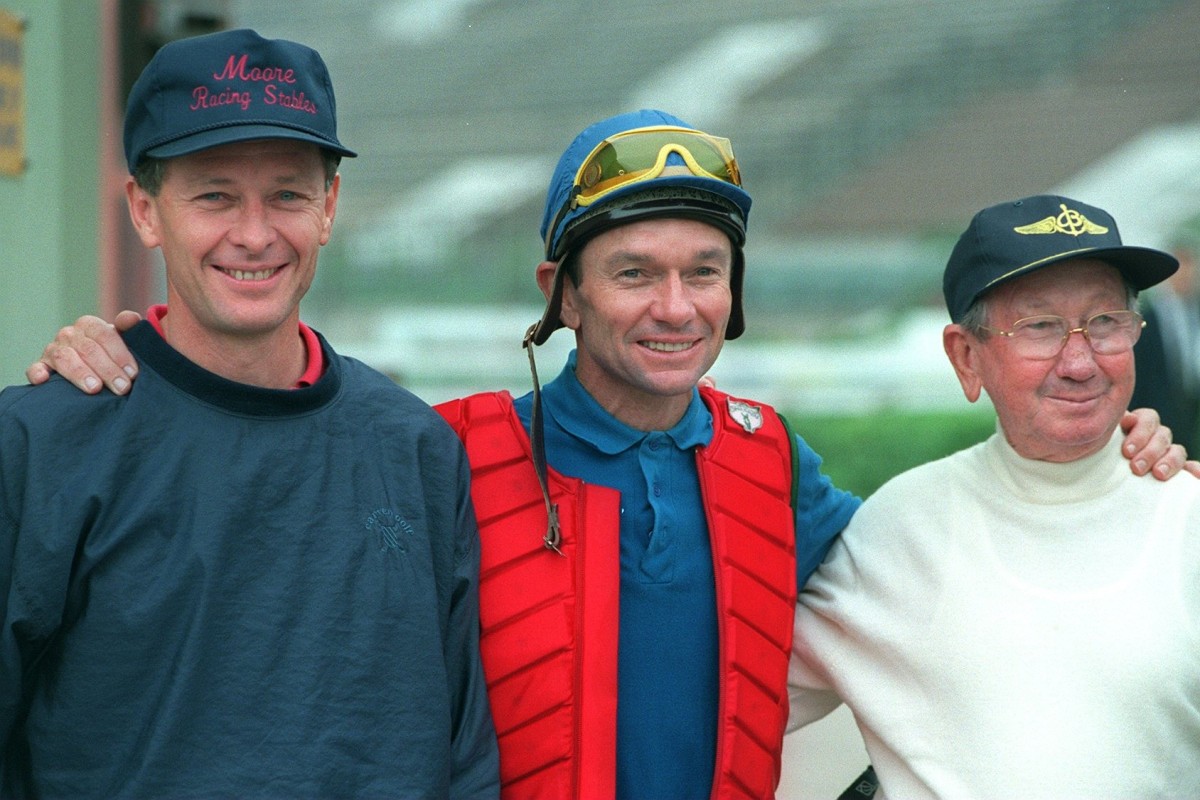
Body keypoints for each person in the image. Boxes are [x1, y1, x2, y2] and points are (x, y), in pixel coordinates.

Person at [23, 118, 1194, 799]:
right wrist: (131, 359)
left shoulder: (775, 463)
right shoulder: (440, 451)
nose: (675, 305)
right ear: (562, 295)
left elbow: (983, 548)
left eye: (705, 269)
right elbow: (268, 453)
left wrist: (1118, 467)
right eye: (633, 272)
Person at [0, 29, 499, 798]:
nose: (255, 233)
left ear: (329, 206)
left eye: (288, 194)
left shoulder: (415, 449)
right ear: (145, 209)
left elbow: (464, 756)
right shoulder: (43, 442)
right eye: (215, 195)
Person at [785, 194, 1200, 799]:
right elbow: (724, 711)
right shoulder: (900, 530)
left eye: (1106, 322)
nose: (1080, 361)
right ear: (966, 356)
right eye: (1040, 327)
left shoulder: (1188, 514)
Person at [1132, 240, 1200, 452]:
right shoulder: (1147, 319)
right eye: (1180, 269)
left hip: (1192, 409)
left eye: (1190, 269)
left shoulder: (1195, 314)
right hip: (1157, 410)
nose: (1185, 276)